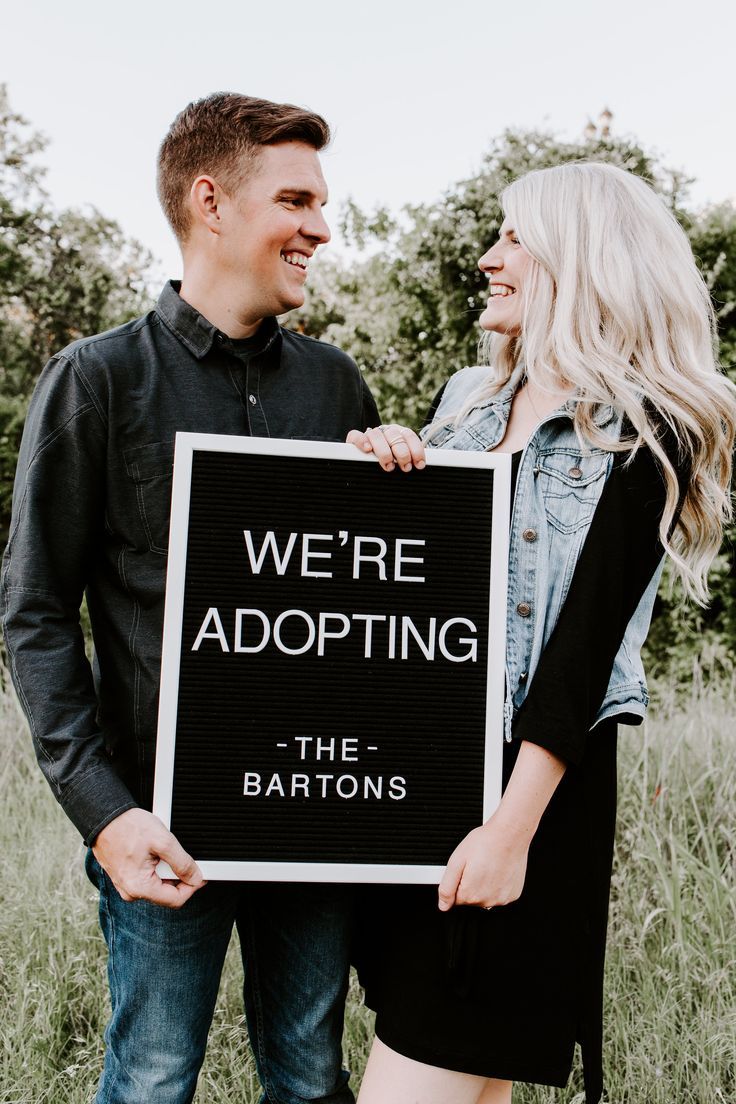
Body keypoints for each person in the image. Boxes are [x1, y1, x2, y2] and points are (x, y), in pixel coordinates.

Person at [2, 93, 379, 1104]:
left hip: (311, 826)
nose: (320, 228)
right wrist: (104, 815)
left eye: (322, 203)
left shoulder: (338, 390)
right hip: (160, 828)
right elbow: (34, 614)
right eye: (295, 200)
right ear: (210, 202)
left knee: (308, 1078)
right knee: (154, 1078)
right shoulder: (98, 381)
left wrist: (407, 480)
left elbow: (376, 610)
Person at [347, 161, 736, 1104]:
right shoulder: (464, 402)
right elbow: (401, 598)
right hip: (426, 788)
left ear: (579, 257)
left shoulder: (648, 433)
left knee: (427, 1070)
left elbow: (579, 656)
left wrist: (508, 833)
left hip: (533, 797)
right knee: (472, 1083)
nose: (489, 258)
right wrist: (374, 466)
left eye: (514, 238)